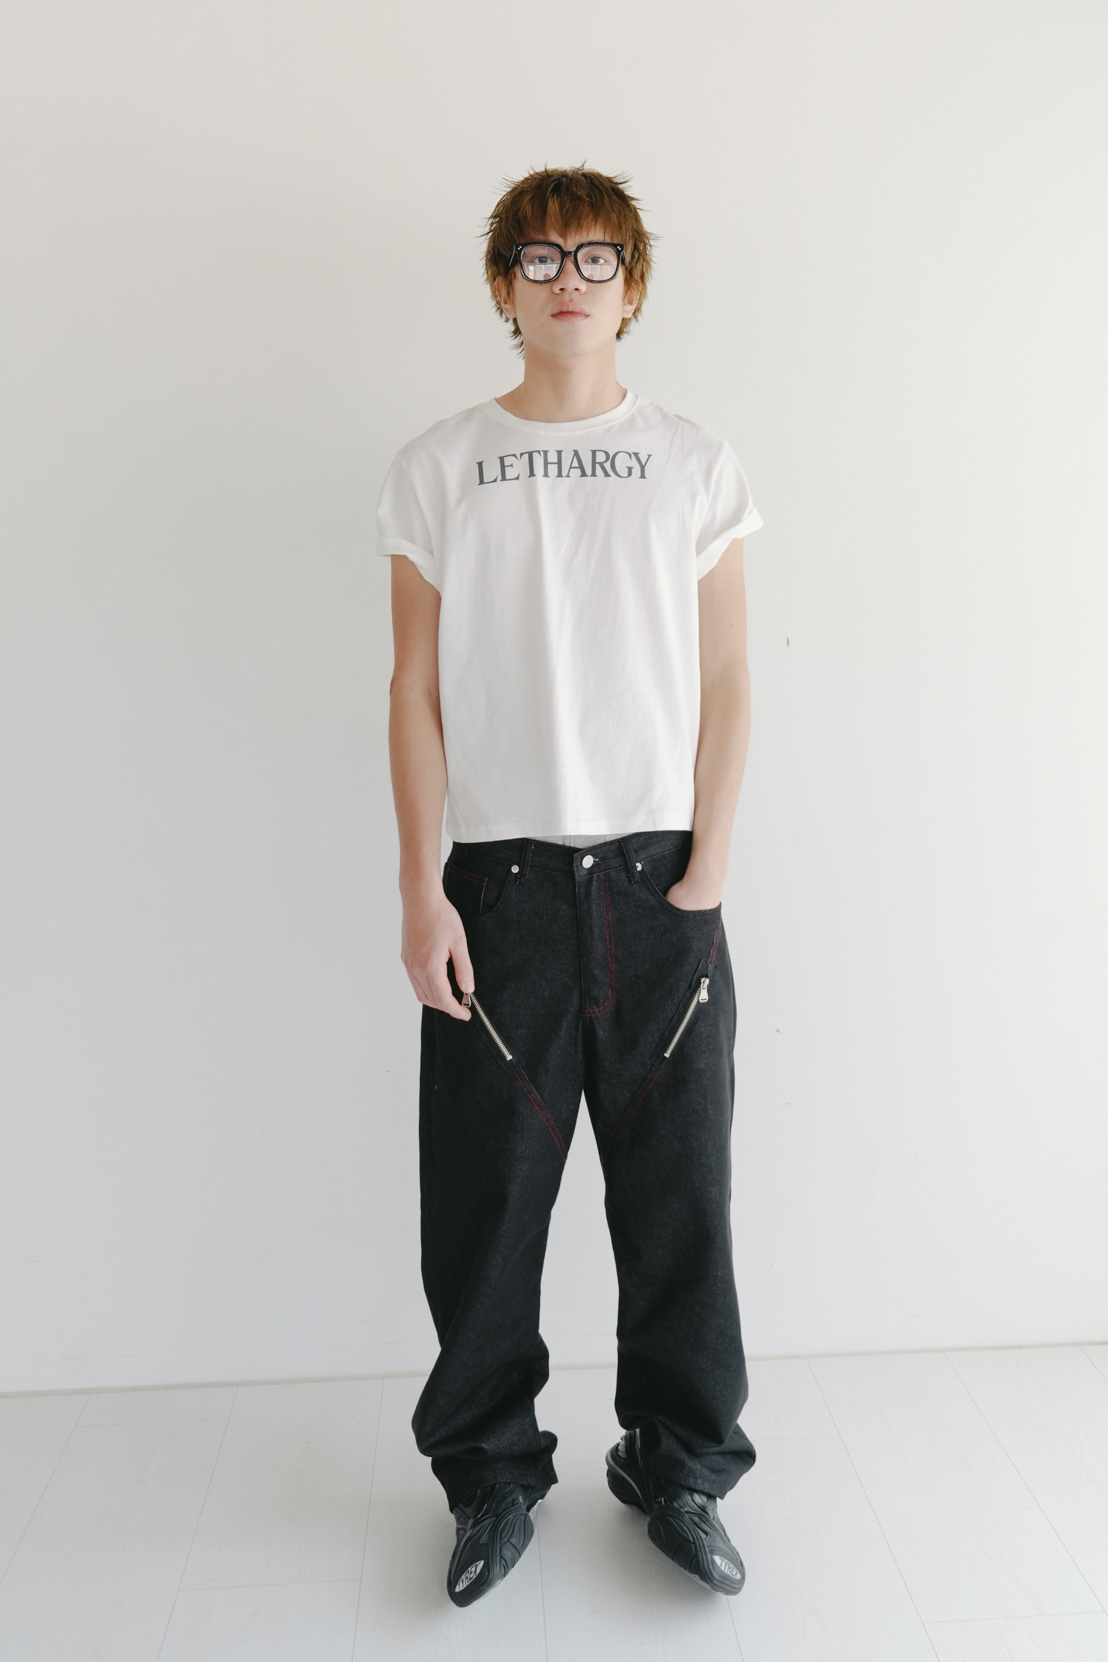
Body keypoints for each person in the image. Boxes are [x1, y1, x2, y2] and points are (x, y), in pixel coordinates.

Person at [377, 166, 761, 1608]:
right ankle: (489, 1473)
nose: (569, 281)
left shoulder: (692, 462)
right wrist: (422, 889)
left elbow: (730, 678)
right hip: (501, 889)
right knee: (485, 1208)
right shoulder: (439, 465)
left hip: (662, 883)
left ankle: (679, 1467)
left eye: (598, 258)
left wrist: (709, 866)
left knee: (681, 1201)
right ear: (503, 286)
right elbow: (413, 690)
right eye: (539, 258)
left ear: (634, 285)